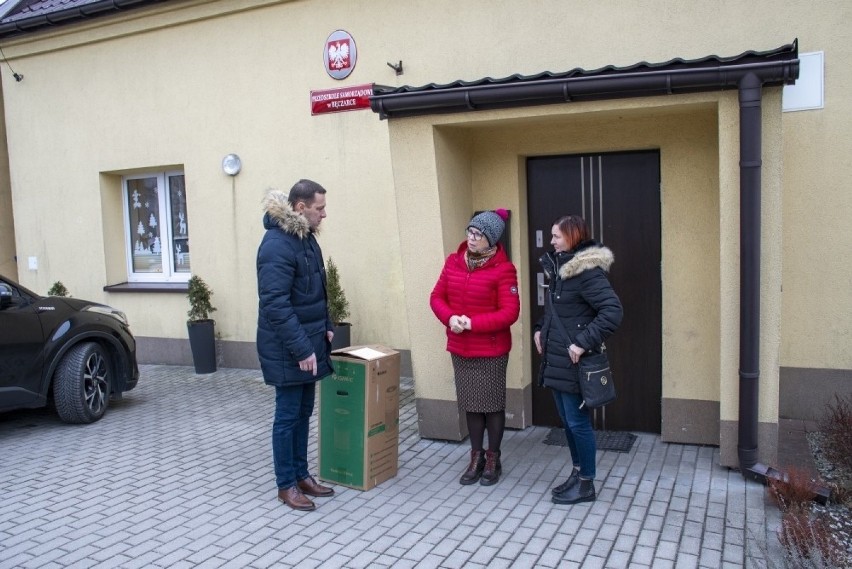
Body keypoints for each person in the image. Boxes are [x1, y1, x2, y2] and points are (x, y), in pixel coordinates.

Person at [256, 179, 336, 512]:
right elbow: (275, 304)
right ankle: (286, 484)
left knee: (304, 412)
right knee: (287, 416)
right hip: (288, 348)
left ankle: (302, 475)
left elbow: (317, 292)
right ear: (300, 208)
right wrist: (303, 348)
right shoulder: (276, 245)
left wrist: (327, 327)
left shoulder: (306, 241)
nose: (324, 214)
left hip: (308, 341)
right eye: (320, 208)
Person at [534, 215, 623, 505]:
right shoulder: (560, 269)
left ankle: (587, 483)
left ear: (572, 237)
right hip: (557, 360)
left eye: (556, 236)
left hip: (574, 364)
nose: (551, 241)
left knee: (578, 423)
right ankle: (577, 473)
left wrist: (583, 343)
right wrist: (539, 331)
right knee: (568, 422)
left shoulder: (586, 272)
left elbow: (612, 312)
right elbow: (558, 312)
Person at [430, 209, 520, 486]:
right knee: (471, 405)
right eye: (470, 232)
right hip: (461, 348)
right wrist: (450, 317)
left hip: (491, 351)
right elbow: (436, 297)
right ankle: (476, 456)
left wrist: (471, 323)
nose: (471, 237)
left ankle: (493, 457)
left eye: (477, 234)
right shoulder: (453, 262)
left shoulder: (504, 269)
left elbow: (510, 312)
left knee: (491, 406)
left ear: (490, 240)